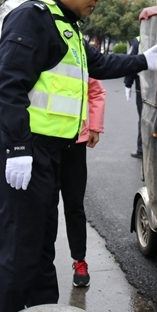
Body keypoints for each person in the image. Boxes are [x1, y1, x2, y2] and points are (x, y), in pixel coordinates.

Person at [0, 0, 157, 312]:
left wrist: (147, 60)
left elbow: (98, 63)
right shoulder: (31, 18)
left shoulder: (62, 24)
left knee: (41, 250)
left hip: (52, 154)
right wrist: (18, 145)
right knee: (18, 254)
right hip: (26, 153)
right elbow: (7, 89)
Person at [61, 77, 105, 287]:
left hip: (75, 141)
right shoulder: (38, 45)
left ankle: (79, 260)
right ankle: (40, 262)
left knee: (74, 205)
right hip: (42, 142)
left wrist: (94, 127)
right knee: (43, 208)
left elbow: (95, 90)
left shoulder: (80, 49)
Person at [124, 36, 142, 159]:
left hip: (144, 88)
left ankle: (141, 149)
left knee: (145, 117)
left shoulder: (139, 40)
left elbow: (131, 62)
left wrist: (128, 83)